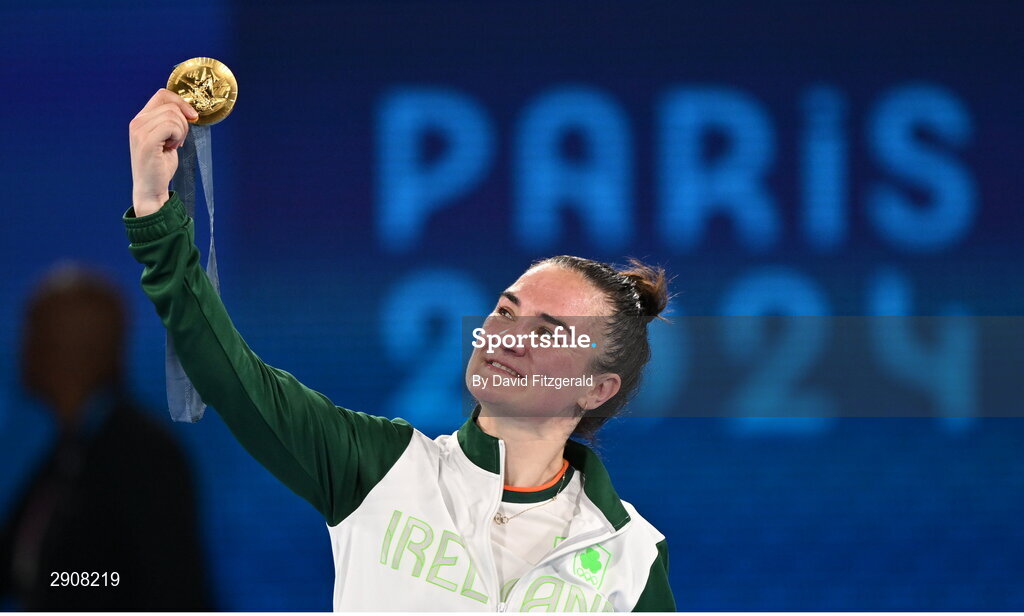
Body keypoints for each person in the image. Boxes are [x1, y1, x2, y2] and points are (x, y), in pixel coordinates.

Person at [124, 88, 676, 611]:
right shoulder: (381, 468)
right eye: (506, 312)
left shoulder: (633, 555)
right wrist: (156, 211)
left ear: (596, 388)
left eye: (548, 333)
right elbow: (231, 375)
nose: (509, 337)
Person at [0, 264, 212, 611]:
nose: (21, 350)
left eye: (35, 333)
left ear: (72, 349)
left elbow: (172, 590)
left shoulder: (144, 458)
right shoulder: (70, 450)